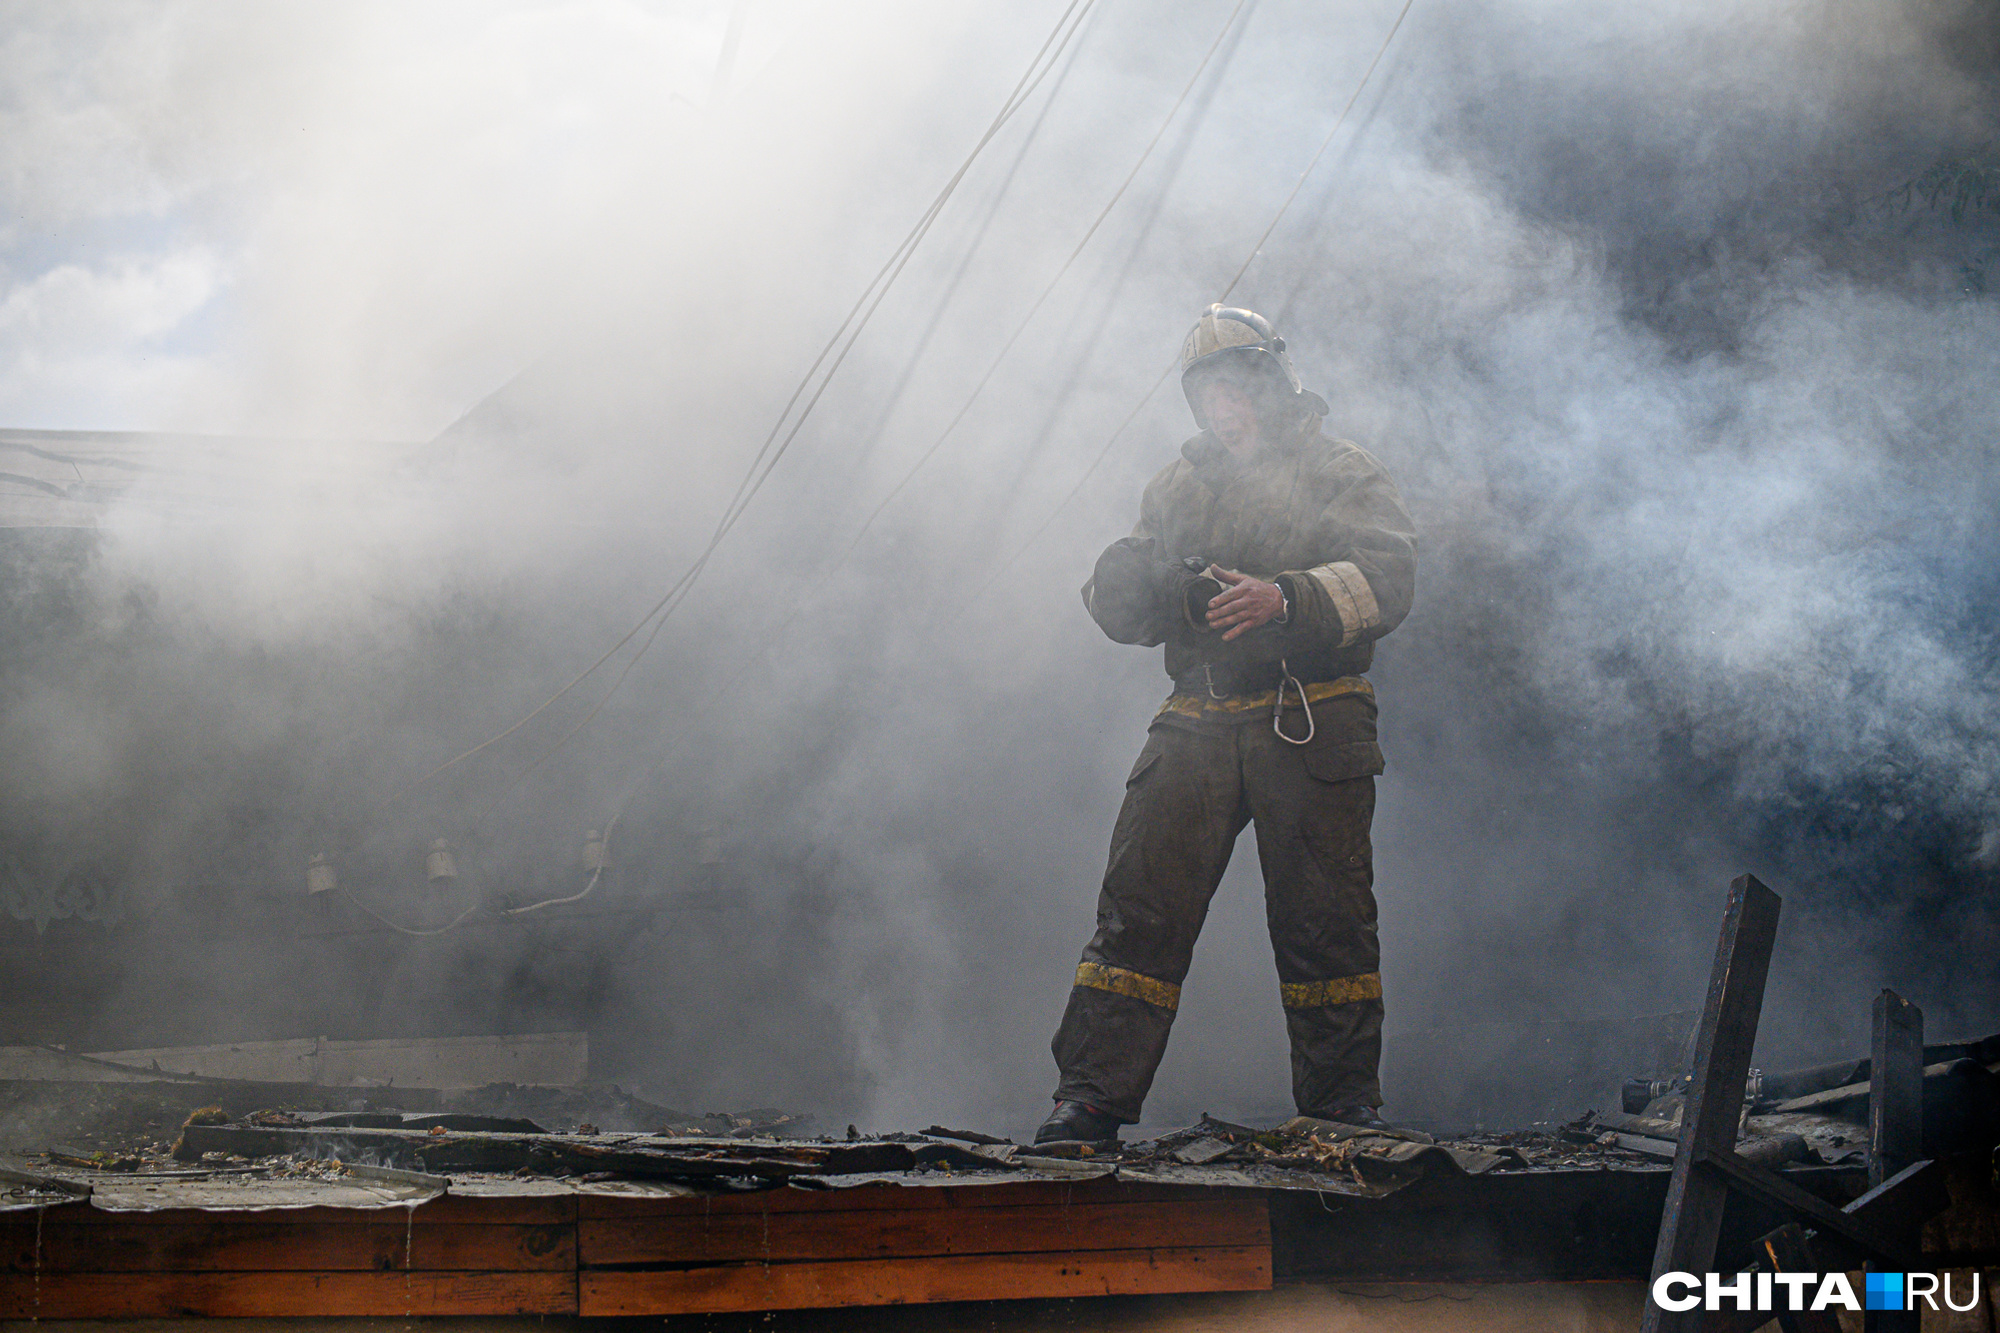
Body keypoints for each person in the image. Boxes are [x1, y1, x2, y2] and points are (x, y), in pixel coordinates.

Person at [1036, 305, 1418, 1144]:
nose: (1222, 406)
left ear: (1273, 384)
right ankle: (1090, 1096)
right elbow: (1117, 606)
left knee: (1326, 920)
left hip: (1311, 712)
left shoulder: (1342, 470)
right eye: (1205, 391)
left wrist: (1289, 597)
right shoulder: (1177, 486)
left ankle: (1341, 1107)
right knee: (1138, 907)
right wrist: (1156, 588)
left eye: (1237, 385)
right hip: (1199, 714)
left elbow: (1389, 577)